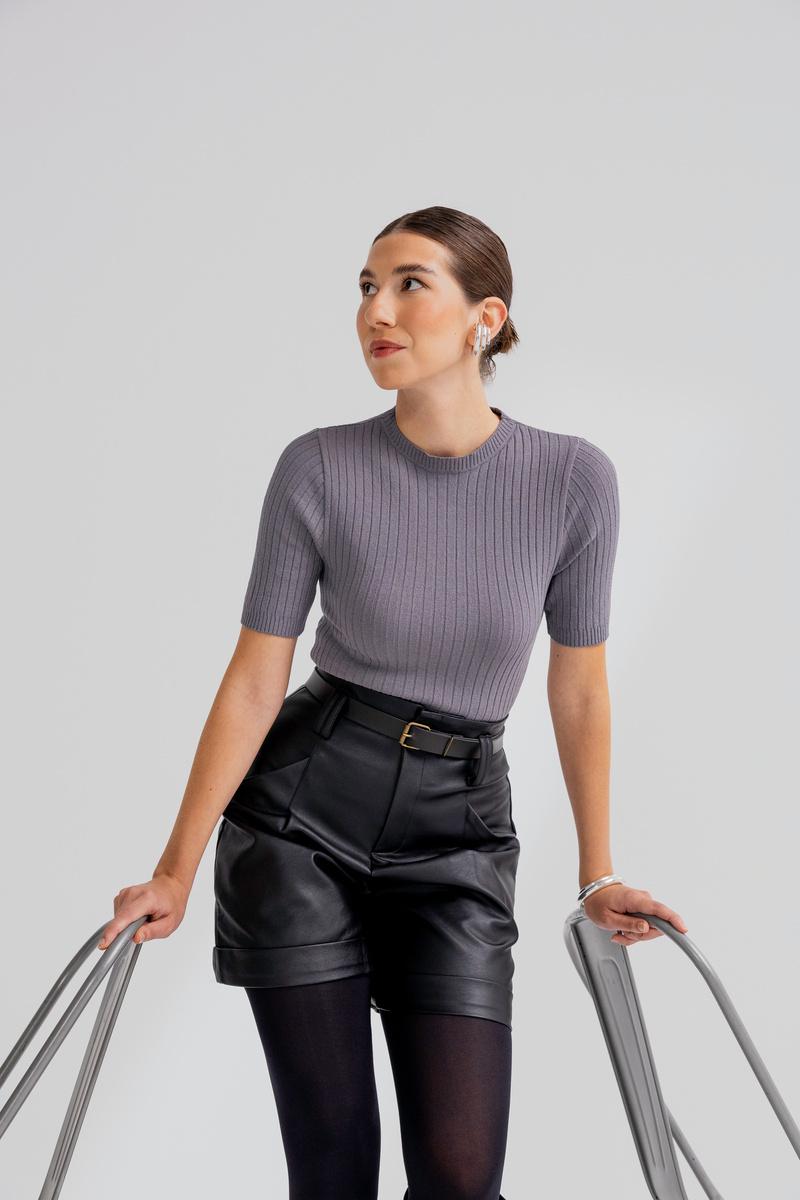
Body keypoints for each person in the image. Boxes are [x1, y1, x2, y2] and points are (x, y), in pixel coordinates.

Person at [99, 205, 688, 1200]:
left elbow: (579, 686)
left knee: (461, 1176)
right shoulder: (318, 466)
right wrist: (173, 870)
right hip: (301, 820)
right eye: (367, 287)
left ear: (486, 318)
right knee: (332, 1168)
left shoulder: (572, 480)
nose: (376, 309)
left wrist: (597, 875)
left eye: (409, 283)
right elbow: (255, 677)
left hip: (459, 833)